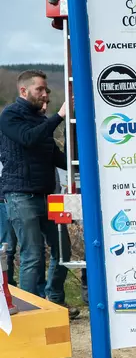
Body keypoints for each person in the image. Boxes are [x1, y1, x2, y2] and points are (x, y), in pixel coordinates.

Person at [0, 70, 77, 319]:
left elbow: (58, 158)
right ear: (24, 91)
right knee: (32, 255)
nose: (45, 95)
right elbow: (28, 139)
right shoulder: (10, 115)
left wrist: (82, 161)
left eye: (47, 91)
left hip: (48, 196)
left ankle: (54, 302)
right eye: (40, 90)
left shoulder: (39, 120)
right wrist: (59, 116)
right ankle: (30, 311)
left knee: (62, 250)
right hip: (21, 196)